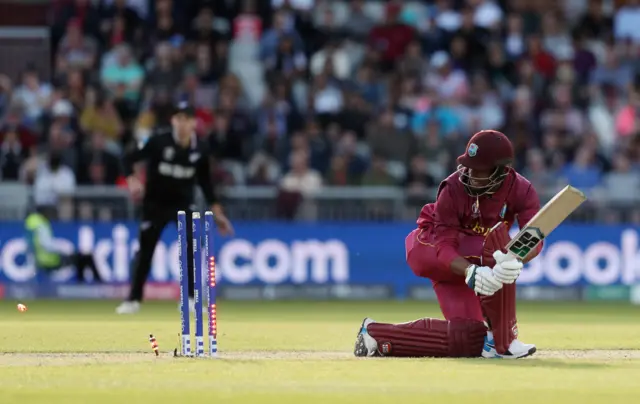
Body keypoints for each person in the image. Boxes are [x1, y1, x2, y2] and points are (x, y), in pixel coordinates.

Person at [354, 130, 542, 359]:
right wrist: (471, 271)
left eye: (477, 169)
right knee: (497, 250)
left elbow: (534, 237)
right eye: (468, 166)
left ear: (500, 171)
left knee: (471, 339)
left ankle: (374, 335)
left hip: (468, 261)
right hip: (428, 246)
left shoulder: (522, 190)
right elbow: (445, 246)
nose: (469, 173)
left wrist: (517, 258)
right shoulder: (452, 187)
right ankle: (506, 340)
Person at [115, 102, 233, 314]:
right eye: (178, 118)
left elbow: (206, 184)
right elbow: (127, 157)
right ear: (172, 121)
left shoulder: (201, 149)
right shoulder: (159, 141)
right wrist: (132, 180)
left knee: (191, 246)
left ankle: (189, 299)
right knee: (145, 252)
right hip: (155, 204)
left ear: (193, 123)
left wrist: (218, 214)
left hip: (183, 205)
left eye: (186, 119)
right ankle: (133, 300)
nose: (182, 124)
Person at [25, 206, 103, 283]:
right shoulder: (40, 224)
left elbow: (37, 244)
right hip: (51, 261)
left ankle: (84, 282)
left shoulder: (31, 229)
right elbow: (47, 244)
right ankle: (92, 283)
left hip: (47, 260)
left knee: (82, 258)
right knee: (85, 258)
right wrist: (64, 249)